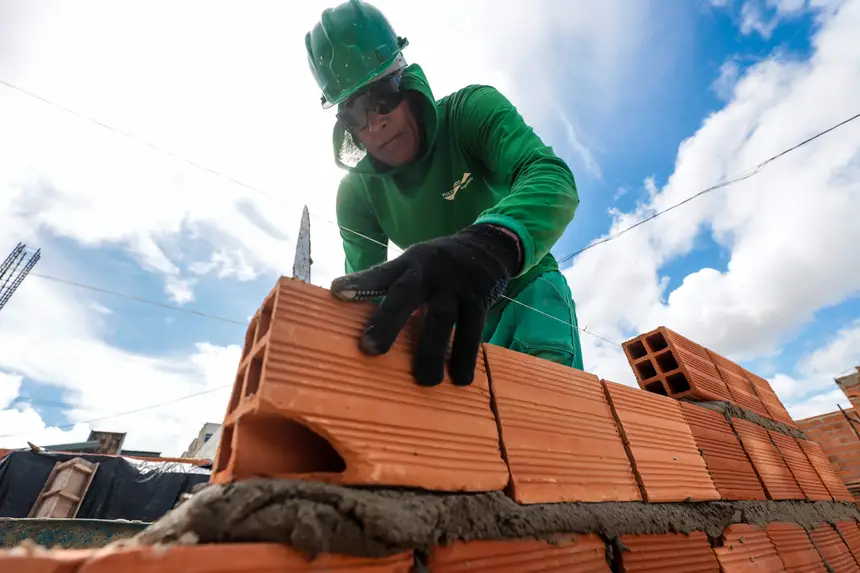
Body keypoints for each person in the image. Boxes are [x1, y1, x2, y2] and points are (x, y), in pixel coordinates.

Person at [305, 0, 584, 387]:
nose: (374, 123)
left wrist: (490, 246)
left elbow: (551, 178)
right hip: (449, 325)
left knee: (553, 432)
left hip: (529, 299)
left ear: (406, 78)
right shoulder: (356, 196)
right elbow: (367, 294)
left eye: (381, 97)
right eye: (354, 114)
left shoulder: (471, 112)